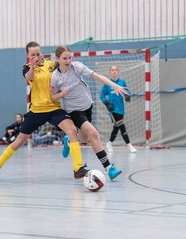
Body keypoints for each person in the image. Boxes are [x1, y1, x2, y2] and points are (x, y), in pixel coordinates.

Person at [0, 41, 89, 180]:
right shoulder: (26, 68)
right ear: (28, 55)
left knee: (73, 130)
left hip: (54, 109)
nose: (36, 56)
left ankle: (78, 168)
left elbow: (63, 68)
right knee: (18, 141)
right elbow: (29, 77)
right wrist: (33, 66)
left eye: (38, 53)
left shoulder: (50, 64)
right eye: (33, 54)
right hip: (37, 111)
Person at [50, 46, 129, 180]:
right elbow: (53, 97)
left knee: (85, 139)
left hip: (87, 106)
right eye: (65, 58)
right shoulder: (55, 77)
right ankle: (109, 168)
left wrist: (114, 85)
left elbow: (97, 76)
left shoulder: (77, 67)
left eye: (70, 57)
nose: (68, 60)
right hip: (74, 111)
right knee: (93, 134)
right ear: (57, 58)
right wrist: (61, 94)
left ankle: (69, 141)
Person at [101, 65, 137, 153]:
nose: (114, 71)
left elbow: (127, 92)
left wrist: (128, 96)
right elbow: (102, 95)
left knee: (116, 127)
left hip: (121, 109)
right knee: (122, 126)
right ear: (110, 72)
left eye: (115, 70)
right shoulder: (107, 83)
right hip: (112, 110)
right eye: (112, 70)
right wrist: (107, 103)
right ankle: (129, 145)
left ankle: (109, 143)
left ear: (118, 72)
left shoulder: (122, 82)